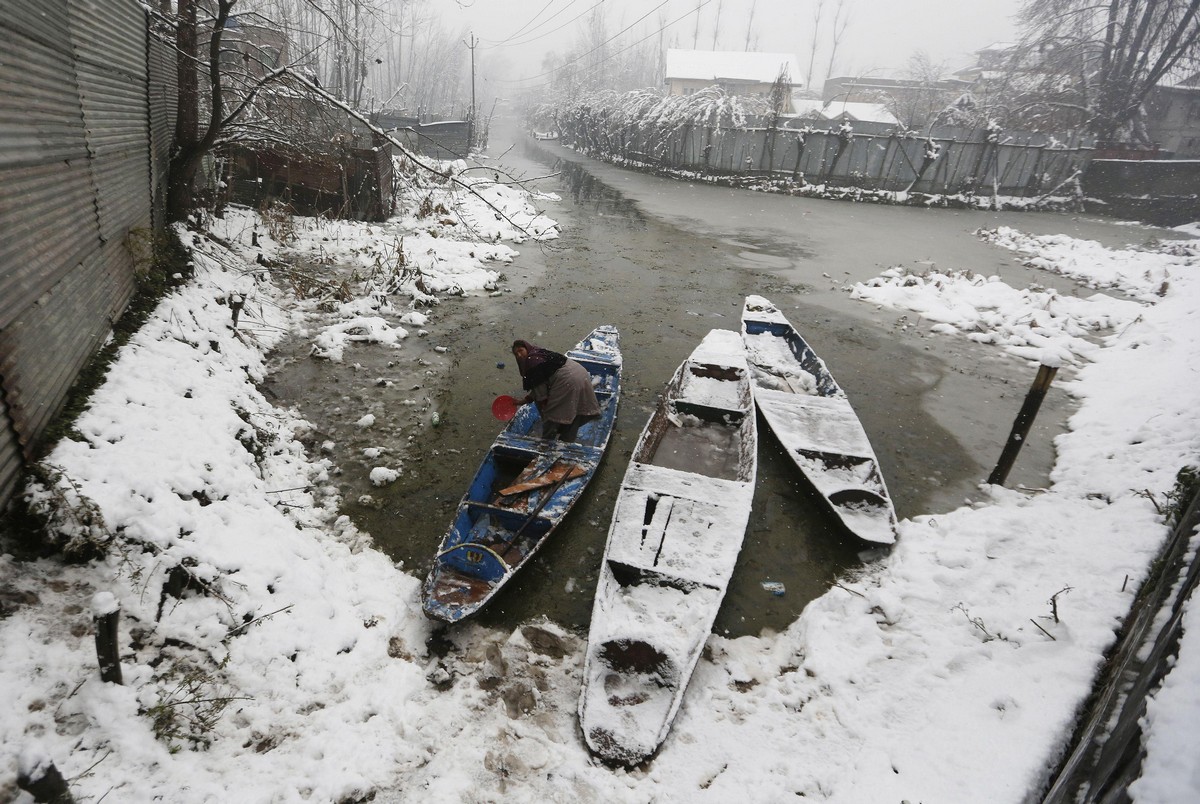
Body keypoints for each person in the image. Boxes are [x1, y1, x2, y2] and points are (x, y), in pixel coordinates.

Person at [511, 339, 601, 442]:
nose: (519, 355)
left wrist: (546, 412)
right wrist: (524, 401)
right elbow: (541, 384)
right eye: (516, 353)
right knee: (577, 409)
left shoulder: (532, 363)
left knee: (552, 416)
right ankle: (566, 439)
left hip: (567, 380)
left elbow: (541, 395)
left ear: (526, 348)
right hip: (580, 373)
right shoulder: (538, 352)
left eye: (521, 350)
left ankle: (546, 443)